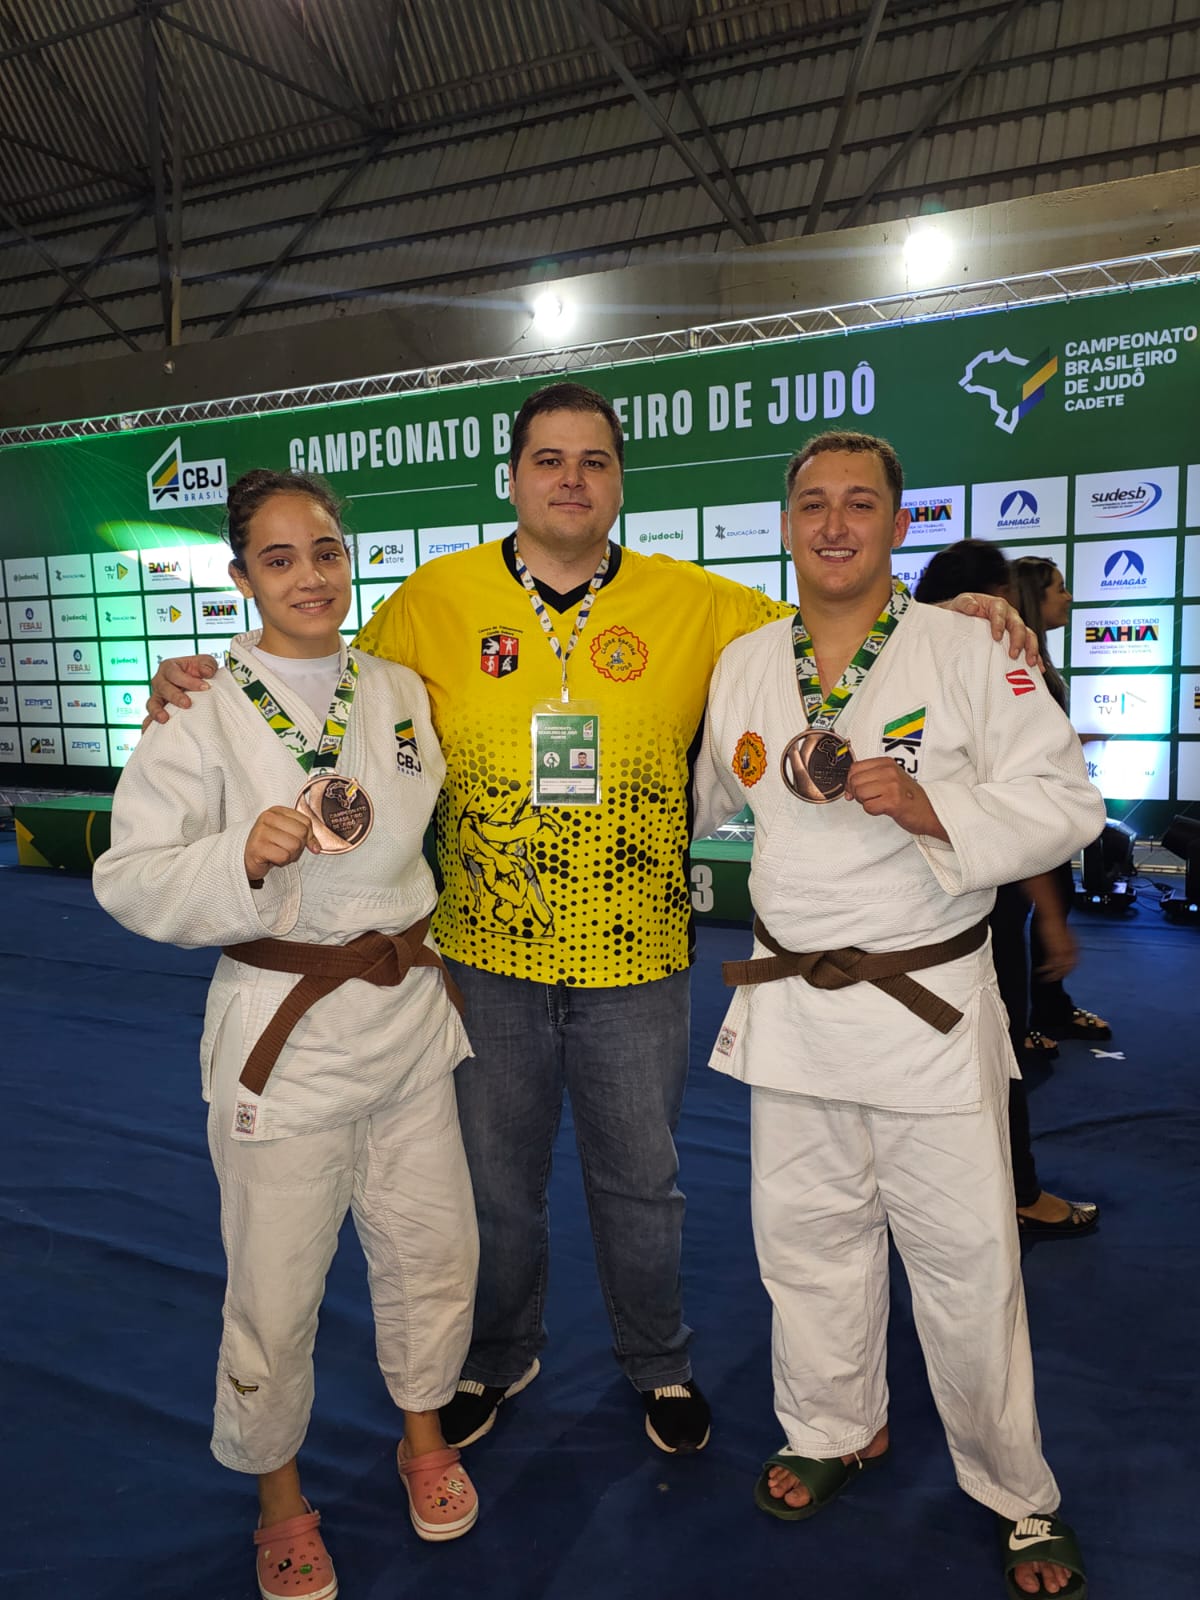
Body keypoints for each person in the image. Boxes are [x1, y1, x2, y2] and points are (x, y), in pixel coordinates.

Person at [146, 384, 1036, 1458]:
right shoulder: (433, 597)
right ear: (512, 478)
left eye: (594, 462)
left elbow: (841, 620)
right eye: (549, 460)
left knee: (642, 1185)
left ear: (619, 483)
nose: (571, 479)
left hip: (639, 953)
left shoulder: (700, 602)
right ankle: (497, 1353)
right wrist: (198, 675)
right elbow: (326, 680)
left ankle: (658, 1361)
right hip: (482, 954)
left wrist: (963, 612)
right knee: (494, 1187)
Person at [694, 433, 1102, 1597]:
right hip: (795, 1000)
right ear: (786, 525)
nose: (835, 524)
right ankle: (833, 1425)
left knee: (968, 1261)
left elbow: (1069, 802)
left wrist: (937, 809)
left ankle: (1016, 1488)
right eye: (813, 504)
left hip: (925, 1005)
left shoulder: (969, 647)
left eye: (860, 503)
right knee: (806, 1241)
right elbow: (705, 793)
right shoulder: (744, 663)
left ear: (898, 523)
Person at [95, 470, 481, 1600]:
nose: (310, 576)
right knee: (274, 1283)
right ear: (241, 576)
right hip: (286, 1029)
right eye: (278, 558)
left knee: (434, 1248)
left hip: (405, 1014)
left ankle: (424, 1434)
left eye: (325, 551)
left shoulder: (396, 688)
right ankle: (279, 1492)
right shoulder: (201, 706)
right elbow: (130, 874)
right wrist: (241, 857)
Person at [915, 543, 1099, 1241]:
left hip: (970, 898)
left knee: (976, 1053)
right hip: (981, 902)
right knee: (996, 1054)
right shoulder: (991, 659)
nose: (1066, 599)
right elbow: (1014, 816)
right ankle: (1015, 1192)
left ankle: (983, 1187)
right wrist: (1050, 917)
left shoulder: (981, 658)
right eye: (1056, 589)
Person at [1011, 556, 1113, 1051]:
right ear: (1036, 596)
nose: (1069, 596)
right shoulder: (1014, 657)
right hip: (1022, 817)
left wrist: (1074, 741)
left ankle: (1048, 1010)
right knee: (1014, 922)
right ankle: (1017, 1027)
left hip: (1046, 815)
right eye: (1060, 587)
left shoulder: (1037, 656)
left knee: (1053, 906)